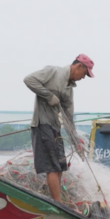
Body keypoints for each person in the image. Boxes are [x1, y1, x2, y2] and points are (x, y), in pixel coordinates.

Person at [23, 54, 94, 203]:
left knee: (60, 165)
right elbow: (29, 80)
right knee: (52, 166)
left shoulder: (69, 89)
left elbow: (68, 117)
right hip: (42, 124)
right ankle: (58, 203)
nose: (83, 78)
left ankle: (58, 199)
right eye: (85, 74)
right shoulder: (53, 71)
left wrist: (76, 142)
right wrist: (48, 96)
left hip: (55, 127)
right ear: (78, 66)